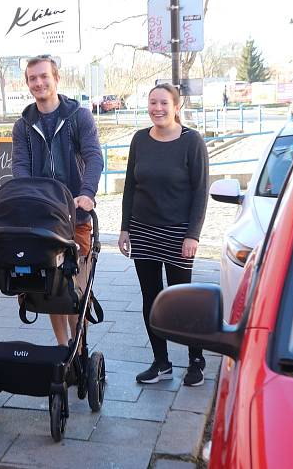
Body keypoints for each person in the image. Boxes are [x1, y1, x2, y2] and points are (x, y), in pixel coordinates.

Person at [118, 83, 209, 387]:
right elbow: (130, 185)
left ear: (176, 107)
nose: (157, 108)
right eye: (152, 102)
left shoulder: (191, 141)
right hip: (143, 230)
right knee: (151, 298)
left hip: (177, 233)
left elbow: (200, 191)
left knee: (182, 300)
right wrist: (125, 228)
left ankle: (196, 359)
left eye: (164, 103)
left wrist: (192, 235)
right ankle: (161, 363)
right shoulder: (140, 139)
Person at [11, 56, 104, 346]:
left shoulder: (79, 116)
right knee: (50, 289)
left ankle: (79, 345)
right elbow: (21, 169)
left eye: (43, 76)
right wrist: (28, 201)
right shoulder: (24, 125)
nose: (39, 83)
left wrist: (87, 193)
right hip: (42, 219)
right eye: (33, 79)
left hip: (76, 216)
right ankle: (63, 347)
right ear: (27, 83)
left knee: (75, 288)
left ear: (56, 78)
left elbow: (93, 157)